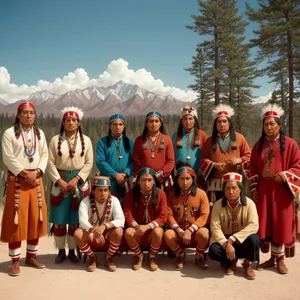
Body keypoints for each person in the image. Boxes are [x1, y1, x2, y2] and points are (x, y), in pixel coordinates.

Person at [250, 104, 300, 274]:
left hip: (282, 190)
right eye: (266, 124)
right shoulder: (258, 145)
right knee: (266, 223)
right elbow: (252, 168)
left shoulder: (291, 144)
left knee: (280, 223)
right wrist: (255, 188)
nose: (269, 127)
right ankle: (271, 258)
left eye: (272, 124)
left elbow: (298, 166)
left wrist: (286, 175)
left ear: (279, 125)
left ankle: (279, 259)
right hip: (264, 189)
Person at [1, 101, 48, 276]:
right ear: (18, 114)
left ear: (35, 115)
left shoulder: (40, 134)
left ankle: (31, 256)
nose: (28, 115)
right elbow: (8, 157)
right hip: (18, 181)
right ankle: (15, 261)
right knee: (17, 220)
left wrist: (38, 172)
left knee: (36, 218)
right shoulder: (9, 133)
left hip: (35, 180)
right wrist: (23, 173)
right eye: (25, 112)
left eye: (31, 112)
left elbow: (44, 154)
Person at [47, 106, 93, 264]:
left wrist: (77, 179)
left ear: (79, 123)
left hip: (78, 184)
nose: (71, 123)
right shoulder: (55, 140)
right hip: (60, 182)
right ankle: (60, 251)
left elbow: (89, 163)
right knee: (60, 221)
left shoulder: (86, 140)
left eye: (74, 120)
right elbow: (50, 163)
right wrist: (59, 181)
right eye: (68, 120)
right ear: (63, 122)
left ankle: (73, 251)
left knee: (75, 220)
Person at [209, 172, 259, 280]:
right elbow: (215, 227)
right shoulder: (218, 204)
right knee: (213, 250)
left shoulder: (249, 204)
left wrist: (232, 239)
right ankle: (231, 261)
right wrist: (226, 243)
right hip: (225, 240)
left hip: (241, 240)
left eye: (234, 188)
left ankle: (246, 263)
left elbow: (254, 225)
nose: (230, 192)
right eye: (227, 188)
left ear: (240, 189)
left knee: (254, 239)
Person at [200, 104, 251, 205]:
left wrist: (239, 160)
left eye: (224, 121)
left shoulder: (240, 138)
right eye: (219, 122)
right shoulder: (209, 141)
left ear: (229, 123)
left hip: (235, 182)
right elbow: (203, 159)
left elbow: (249, 156)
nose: (222, 124)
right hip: (216, 183)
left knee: (235, 209)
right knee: (217, 209)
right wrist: (214, 165)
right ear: (215, 124)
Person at [74, 175, 125, 272]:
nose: (103, 193)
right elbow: (82, 221)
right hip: (91, 235)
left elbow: (120, 220)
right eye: (100, 190)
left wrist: (104, 226)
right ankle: (92, 258)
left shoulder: (114, 200)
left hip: (107, 234)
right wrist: (94, 231)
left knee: (119, 231)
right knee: (78, 234)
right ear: (93, 191)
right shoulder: (85, 202)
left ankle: (108, 258)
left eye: (106, 190)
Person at [164, 166, 210, 270]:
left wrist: (190, 230)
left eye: (188, 178)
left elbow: (204, 215)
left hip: (195, 232)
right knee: (167, 234)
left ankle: (198, 256)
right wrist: (179, 231)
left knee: (204, 233)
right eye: (182, 179)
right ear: (177, 180)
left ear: (193, 179)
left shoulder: (201, 194)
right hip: (178, 232)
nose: (185, 182)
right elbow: (168, 215)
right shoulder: (171, 194)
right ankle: (180, 254)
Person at [124, 167, 167, 271]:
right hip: (137, 230)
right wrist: (137, 227)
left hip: (151, 231)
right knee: (128, 232)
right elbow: (127, 214)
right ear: (138, 181)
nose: (146, 183)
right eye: (143, 180)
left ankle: (151, 257)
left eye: (149, 180)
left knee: (158, 232)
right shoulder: (131, 194)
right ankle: (139, 255)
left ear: (154, 181)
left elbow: (163, 217)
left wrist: (147, 227)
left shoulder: (161, 194)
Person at [96, 114, 134, 207]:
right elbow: (100, 161)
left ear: (124, 126)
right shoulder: (102, 142)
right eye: (115, 124)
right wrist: (115, 174)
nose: (118, 127)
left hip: (124, 181)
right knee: (107, 208)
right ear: (109, 126)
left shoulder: (129, 142)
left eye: (120, 124)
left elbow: (133, 161)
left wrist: (125, 174)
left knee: (125, 207)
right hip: (108, 181)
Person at [133, 111, 175, 190]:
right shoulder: (139, 140)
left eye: (156, 121)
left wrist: (160, 174)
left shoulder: (167, 139)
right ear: (146, 123)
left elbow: (171, 161)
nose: (154, 124)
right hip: (145, 179)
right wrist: (141, 175)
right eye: (151, 121)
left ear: (161, 123)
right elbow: (135, 159)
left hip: (162, 179)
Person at [172, 106, 207, 173]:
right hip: (181, 172)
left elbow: (206, 154)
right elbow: (171, 156)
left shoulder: (202, 135)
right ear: (181, 121)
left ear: (195, 120)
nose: (188, 121)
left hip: (197, 172)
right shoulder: (175, 135)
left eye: (190, 119)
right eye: (185, 119)